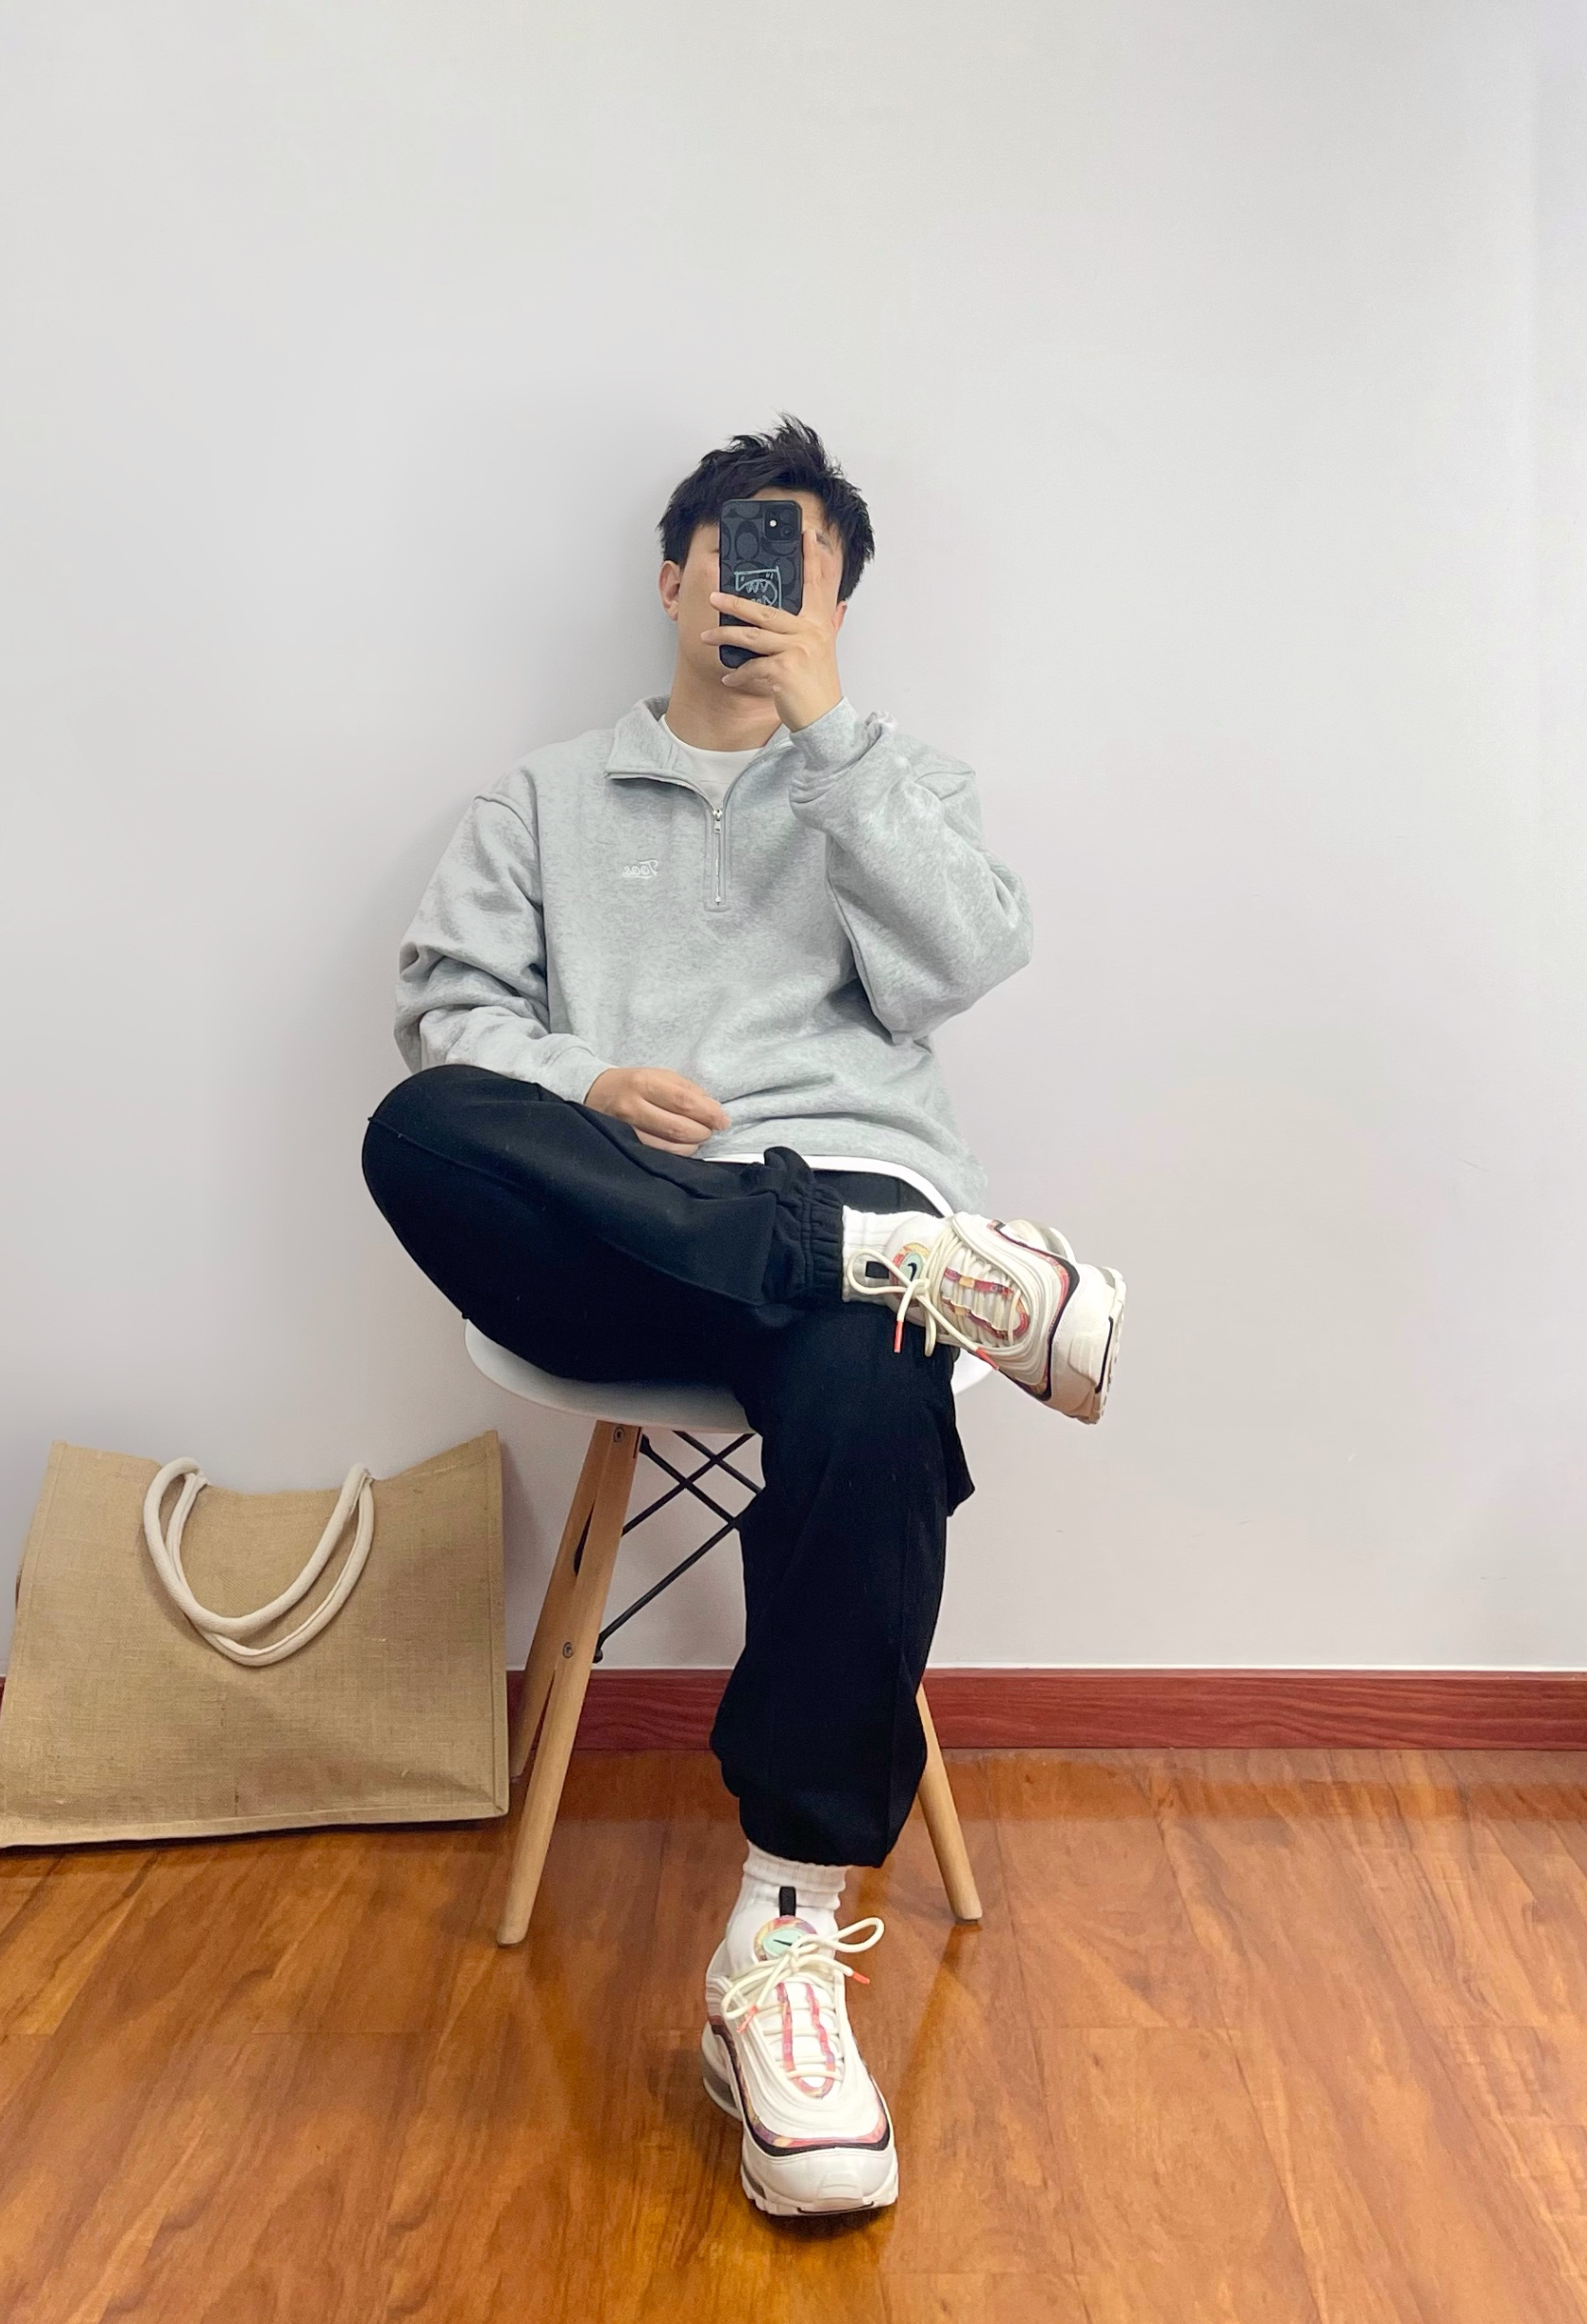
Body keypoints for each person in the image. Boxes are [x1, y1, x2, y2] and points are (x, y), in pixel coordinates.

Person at [362, 417, 1126, 2218]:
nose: (759, 593)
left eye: (801, 575)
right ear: (672, 577)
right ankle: (883, 1265)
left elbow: (961, 963)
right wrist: (587, 1081)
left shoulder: (891, 778)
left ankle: (780, 1940)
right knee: (423, 1128)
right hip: (618, 1220)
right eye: (734, 556)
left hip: (849, 1192)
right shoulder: (542, 798)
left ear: (839, 609)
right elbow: (448, 1016)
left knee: (871, 1395)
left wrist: (829, 740)